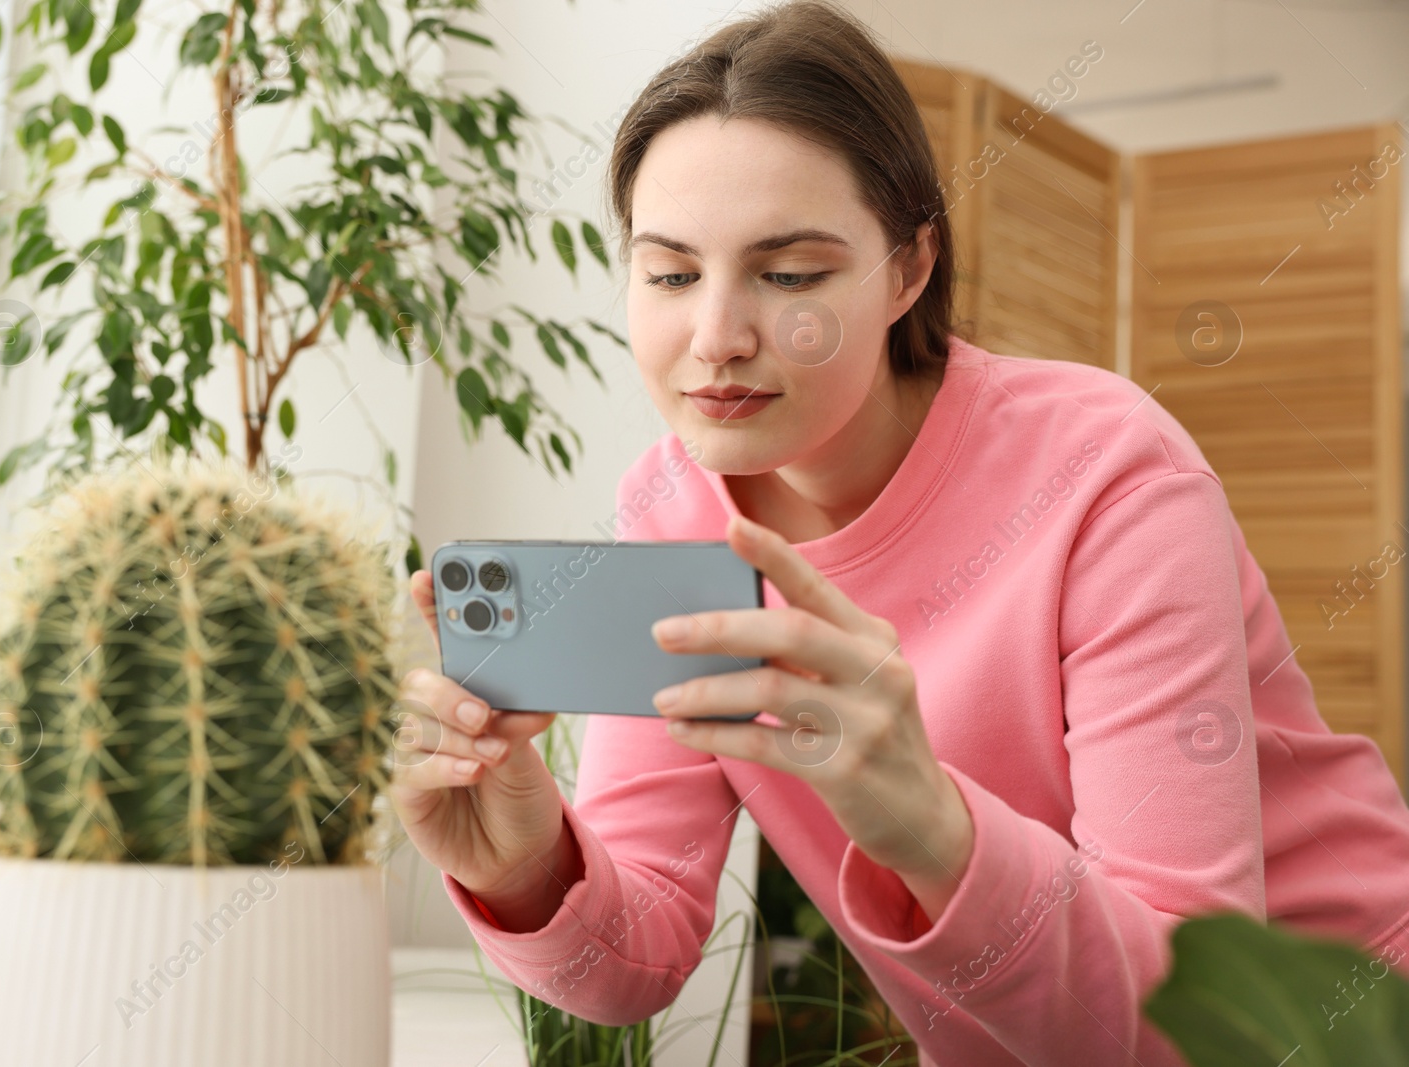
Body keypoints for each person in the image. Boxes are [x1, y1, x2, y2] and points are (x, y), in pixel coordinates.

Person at [387, 1, 1409, 1063]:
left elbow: (1190, 1021)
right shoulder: (669, 507)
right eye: (672, 273)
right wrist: (521, 863)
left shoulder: (1105, 472)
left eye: (789, 275)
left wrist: (932, 823)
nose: (718, 338)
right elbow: (632, 964)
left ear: (908, 269)